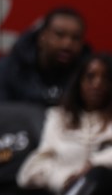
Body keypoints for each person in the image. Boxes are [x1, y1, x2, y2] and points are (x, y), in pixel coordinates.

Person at [17, 53, 112, 193]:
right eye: (90, 77)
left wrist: (94, 163)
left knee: (99, 175)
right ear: (79, 82)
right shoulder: (59, 118)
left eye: (106, 78)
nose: (97, 84)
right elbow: (34, 168)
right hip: (66, 189)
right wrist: (64, 179)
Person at [0, 7, 89, 107]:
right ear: (42, 37)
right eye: (59, 35)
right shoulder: (9, 68)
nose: (67, 44)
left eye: (76, 38)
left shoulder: (88, 74)